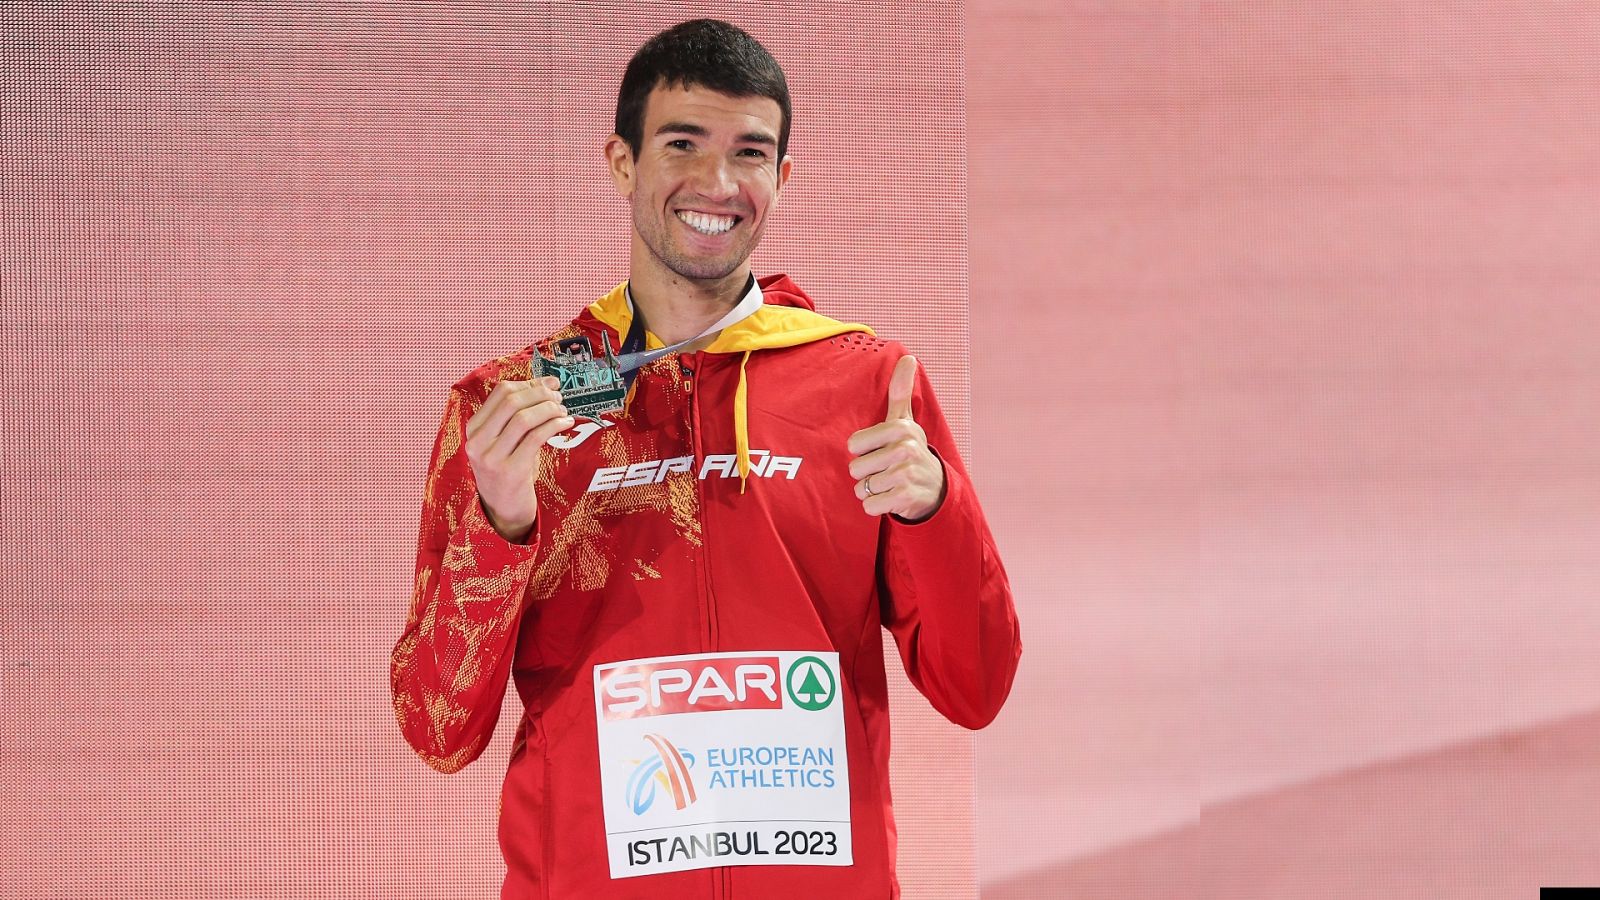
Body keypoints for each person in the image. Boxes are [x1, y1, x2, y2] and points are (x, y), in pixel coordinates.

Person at [390, 18, 1021, 899]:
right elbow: (436, 728)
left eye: (750, 153)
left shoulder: (868, 387)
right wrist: (498, 527)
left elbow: (977, 686)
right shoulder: (512, 408)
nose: (717, 183)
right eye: (682, 143)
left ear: (782, 177)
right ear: (622, 162)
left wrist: (934, 507)